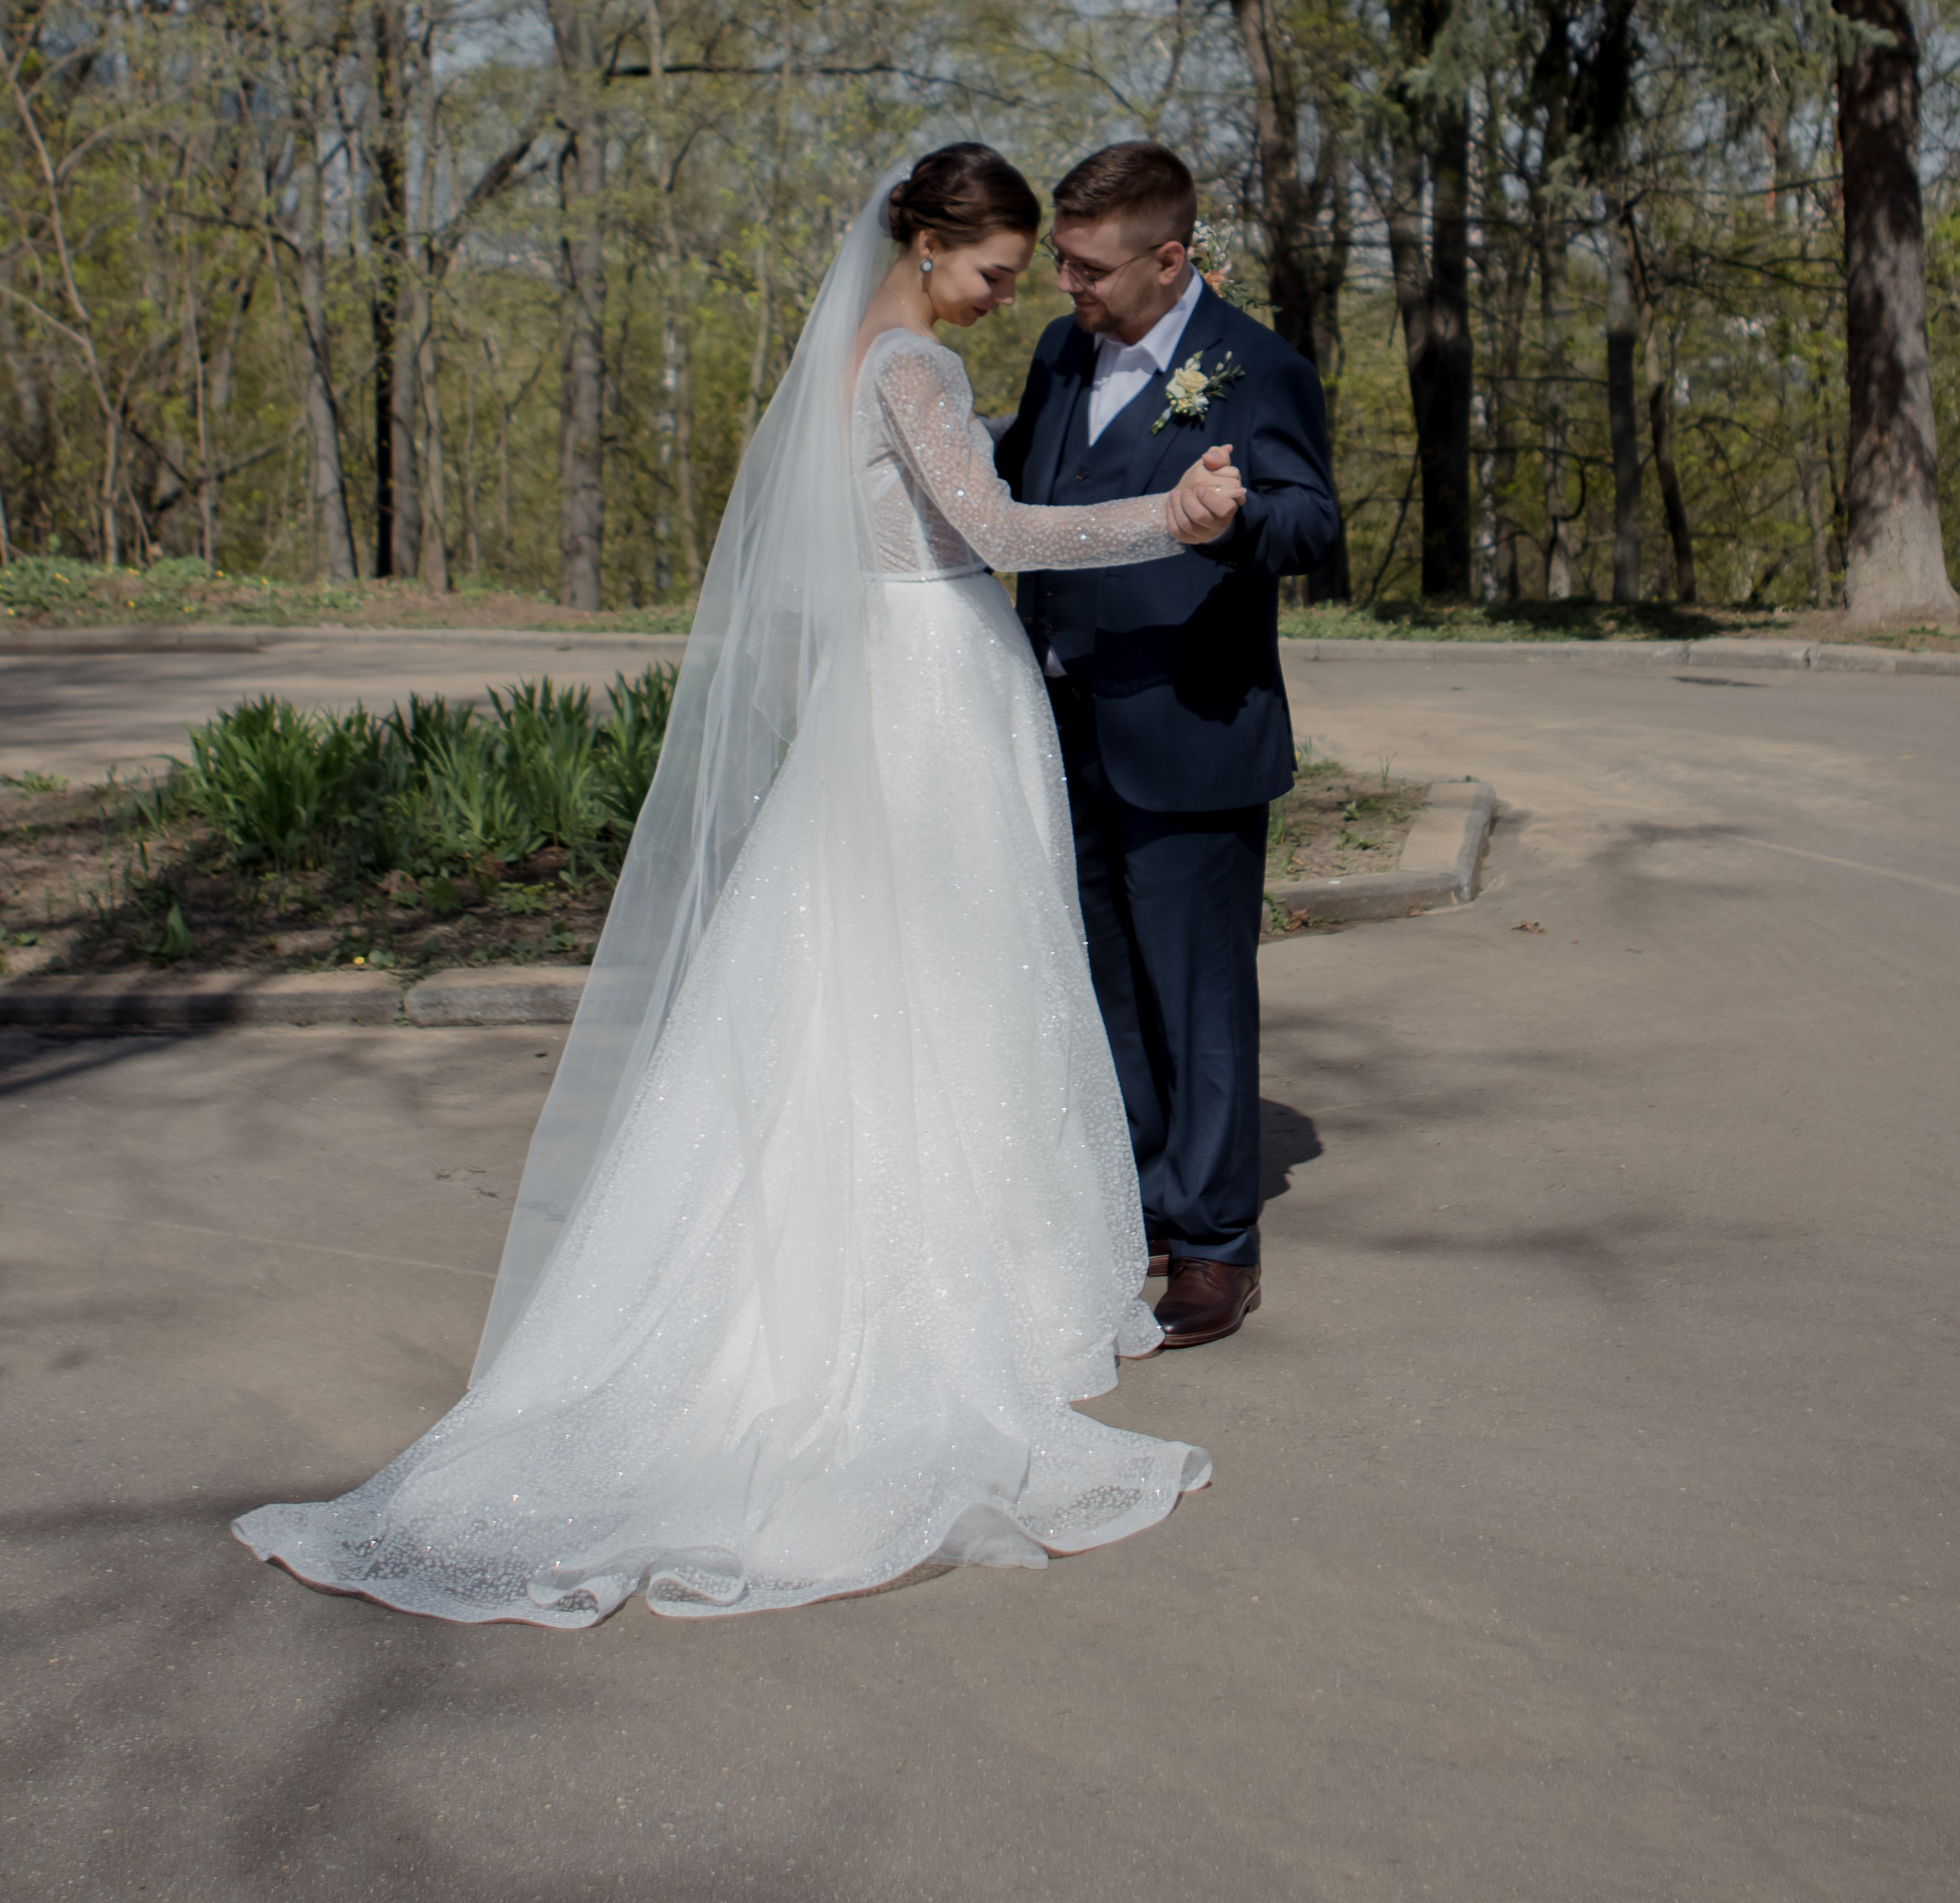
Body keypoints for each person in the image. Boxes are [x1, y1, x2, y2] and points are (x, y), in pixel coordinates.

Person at [234, 145, 1246, 1626]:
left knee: (880, 989)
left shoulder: (848, 354)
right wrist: (1175, 511)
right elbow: (1004, 537)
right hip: (931, 694)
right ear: (923, 238)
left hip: (880, 700)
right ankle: (956, 1287)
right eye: (993, 272)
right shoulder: (910, 366)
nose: (1002, 299)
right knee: (954, 988)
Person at [995, 142, 1338, 1349]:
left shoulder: (1255, 366)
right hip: (1061, 725)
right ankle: (1141, 1201)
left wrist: (1232, 518)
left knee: (1197, 1003)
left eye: (1089, 270)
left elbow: (1311, 522)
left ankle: (1214, 1245)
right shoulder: (1058, 355)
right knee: (1106, 993)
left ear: (1170, 258)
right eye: (1063, 265)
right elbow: (1020, 478)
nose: (1068, 289)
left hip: (1190, 732)